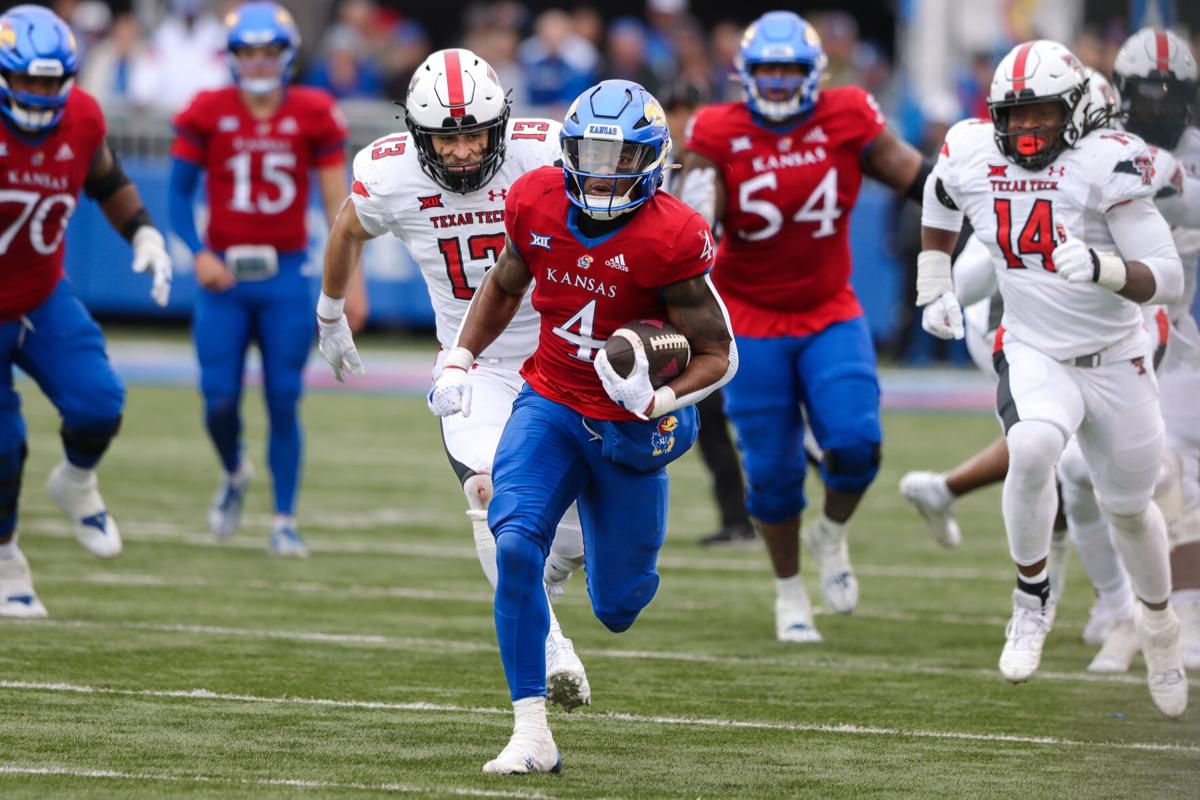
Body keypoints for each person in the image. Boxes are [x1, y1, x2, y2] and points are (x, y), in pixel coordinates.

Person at [427, 79, 736, 774]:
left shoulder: (673, 234)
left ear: (652, 161)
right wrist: (462, 358)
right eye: (591, 153)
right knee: (511, 546)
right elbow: (505, 284)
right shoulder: (535, 199)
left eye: (621, 157)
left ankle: (590, 555)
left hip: (629, 425)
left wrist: (658, 401)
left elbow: (720, 354)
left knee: (620, 606)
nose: (602, 171)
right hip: (552, 401)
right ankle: (531, 731)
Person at [918, 39, 1187, 717]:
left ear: (1072, 113)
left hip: (1117, 354)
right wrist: (934, 285)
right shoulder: (974, 150)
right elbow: (940, 191)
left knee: (1129, 508)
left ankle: (1158, 625)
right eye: (1014, 115)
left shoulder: (1106, 163)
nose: (1025, 130)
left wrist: (1105, 269)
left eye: (1040, 115)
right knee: (1035, 446)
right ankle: (1031, 602)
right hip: (1035, 346)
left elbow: (1170, 276)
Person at [316, 48, 591, 710]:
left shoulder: (545, 153)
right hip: (477, 365)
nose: (465, 150)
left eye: (475, 133)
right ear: (417, 134)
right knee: (490, 493)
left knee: (583, 536)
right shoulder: (388, 176)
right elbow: (347, 230)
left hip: (565, 355)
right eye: (449, 135)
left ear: (501, 126)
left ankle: (544, 574)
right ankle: (551, 643)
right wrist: (330, 313)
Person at [677, 11, 927, 640]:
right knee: (774, 474)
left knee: (857, 445)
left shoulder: (848, 113)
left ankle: (832, 534)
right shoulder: (717, 128)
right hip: (750, 321)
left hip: (827, 310)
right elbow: (697, 213)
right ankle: (789, 592)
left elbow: (911, 172)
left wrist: (980, 198)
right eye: (769, 71)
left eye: (791, 70)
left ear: (813, 74)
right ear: (747, 75)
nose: (781, 83)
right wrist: (698, 216)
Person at [167, 2, 358, 558]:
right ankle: (233, 471)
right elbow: (178, 196)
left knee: (283, 397)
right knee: (219, 399)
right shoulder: (207, 109)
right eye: (247, 51)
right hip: (223, 276)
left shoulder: (314, 110)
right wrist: (198, 252)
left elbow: (337, 203)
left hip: (285, 276)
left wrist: (353, 283)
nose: (256, 62)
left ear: (286, 54)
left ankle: (283, 518)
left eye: (267, 51)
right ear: (231, 56)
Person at [0, 5, 172, 617]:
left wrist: (144, 233)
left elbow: (105, 178)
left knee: (100, 400)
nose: (41, 94)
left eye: (51, 82)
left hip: (42, 293)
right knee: (4, 443)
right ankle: (6, 558)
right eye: (28, 81)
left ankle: (75, 482)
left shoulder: (81, 118)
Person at [1111, 27, 1200, 671]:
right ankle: (1116, 606)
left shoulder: (1187, 155)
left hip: (1179, 332)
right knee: (1088, 474)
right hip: (1107, 325)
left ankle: (1183, 608)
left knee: (1177, 474)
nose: (1162, 106)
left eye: (1174, 94)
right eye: (1150, 94)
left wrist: (1162, 183)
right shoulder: (1097, 146)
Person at [660, 78, 754, 546]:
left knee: (746, 412)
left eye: (688, 111)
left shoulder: (707, 167)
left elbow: (702, 237)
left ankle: (754, 511)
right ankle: (737, 518)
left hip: (724, 307)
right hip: (695, 309)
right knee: (713, 417)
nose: (682, 122)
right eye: (675, 111)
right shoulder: (667, 166)